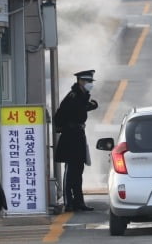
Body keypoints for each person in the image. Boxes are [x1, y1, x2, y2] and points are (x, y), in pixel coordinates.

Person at [54, 69, 99, 212]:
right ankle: (69, 202)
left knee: (78, 170)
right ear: (80, 81)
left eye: (91, 81)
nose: (90, 84)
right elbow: (60, 116)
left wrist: (90, 105)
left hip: (78, 134)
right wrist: (64, 127)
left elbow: (81, 110)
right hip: (70, 136)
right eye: (88, 81)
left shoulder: (82, 96)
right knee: (70, 170)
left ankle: (79, 201)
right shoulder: (73, 96)